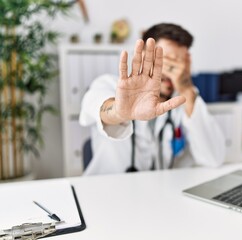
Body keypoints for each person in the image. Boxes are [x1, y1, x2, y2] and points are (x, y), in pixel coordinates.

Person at [79, 23, 226, 175]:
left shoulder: (182, 100)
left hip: (160, 192)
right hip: (106, 191)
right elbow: (97, 106)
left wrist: (187, 89)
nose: (172, 71)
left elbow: (214, 159)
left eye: (179, 63)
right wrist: (119, 111)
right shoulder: (109, 84)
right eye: (167, 60)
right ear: (144, 56)